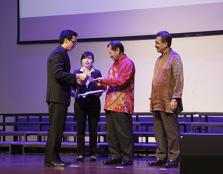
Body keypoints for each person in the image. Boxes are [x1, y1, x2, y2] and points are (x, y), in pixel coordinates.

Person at [45, 30, 88, 167]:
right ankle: (51, 159)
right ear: (66, 40)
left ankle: (54, 157)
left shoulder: (62, 53)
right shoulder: (58, 53)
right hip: (57, 98)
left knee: (58, 129)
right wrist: (76, 77)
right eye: (73, 41)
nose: (75, 44)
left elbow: (62, 78)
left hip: (61, 97)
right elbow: (58, 74)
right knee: (55, 129)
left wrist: (73, 87)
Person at [95, 40, 135, 166]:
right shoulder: (113, 65)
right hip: (110, 103)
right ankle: (115, 155)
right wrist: (99, 84)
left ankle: (127, 156)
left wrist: (105, 80)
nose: (110, 55)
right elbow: (110, 85)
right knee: (111, 134)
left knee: (124, 133)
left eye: (110, 52)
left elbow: (121, 81)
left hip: (122, 104)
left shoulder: (128, 63)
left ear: (117, 50)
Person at [148, 31, 184, 168]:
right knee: (159, 131)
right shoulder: (158, 59)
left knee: (171, 132)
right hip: (157, 101)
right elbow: (155, 81)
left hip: (168, 100)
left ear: (165, 43)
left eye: (157, 43)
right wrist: (151, 98)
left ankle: (174, 158)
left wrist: (176, 98)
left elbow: (179, 79)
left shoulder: (175, 58)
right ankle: (161, 157)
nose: (155, 45)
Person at [73, 51, 102, 162]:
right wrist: (74, 92)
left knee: (93, 130)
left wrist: (99, 92)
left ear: (92, 60)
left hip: (94, 103)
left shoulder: (96, 72)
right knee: (80, 130)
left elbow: (101, 86)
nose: (87, 60)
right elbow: (72, 87)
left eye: (89, 58)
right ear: (81, 60)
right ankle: (80, 153)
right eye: (84, 58)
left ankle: (92, 153)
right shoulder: (76, 72)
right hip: (80, 103)